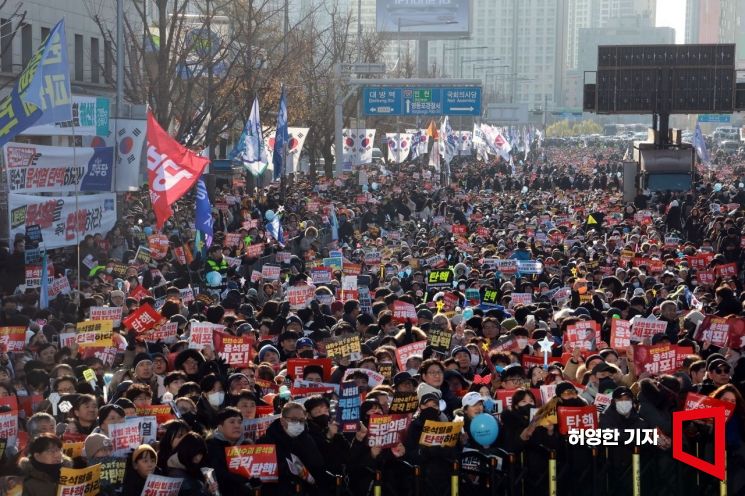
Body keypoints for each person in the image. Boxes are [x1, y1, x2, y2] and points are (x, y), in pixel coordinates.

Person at [256, 402, 325, 495]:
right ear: (282, 420)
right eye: (293, 419)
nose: (298, 423)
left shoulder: (308, 439)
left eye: (301, 420)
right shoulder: (267, 441)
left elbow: (318, 468)